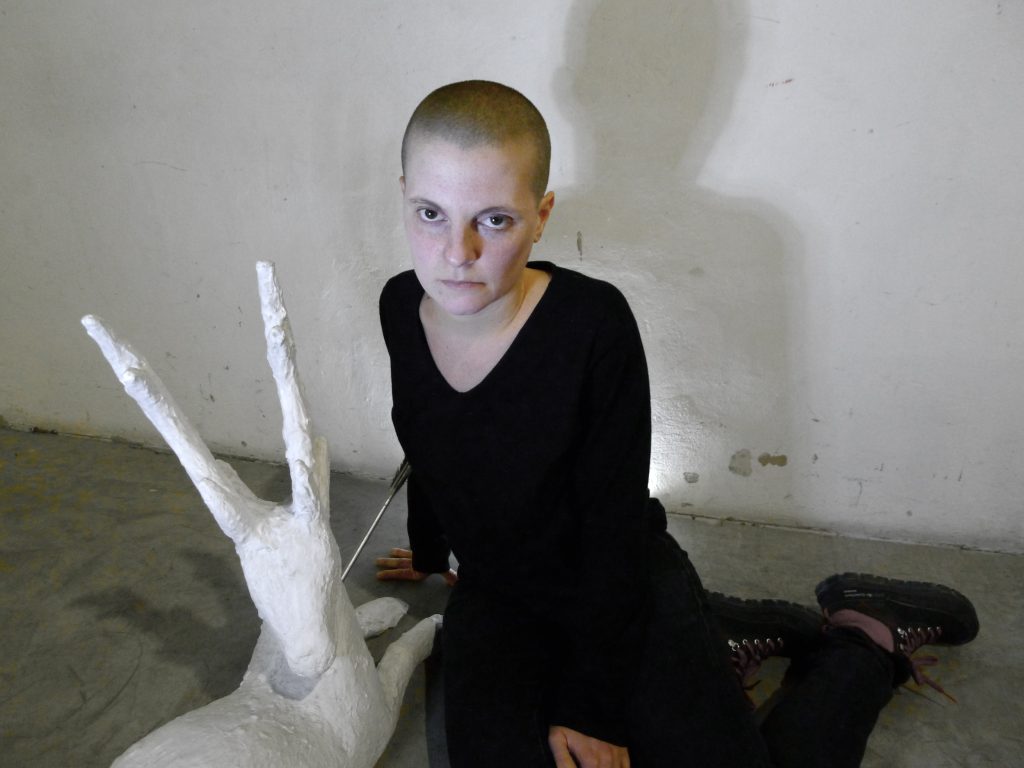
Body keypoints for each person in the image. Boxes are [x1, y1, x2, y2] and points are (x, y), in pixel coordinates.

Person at [376, 80, 978, 768]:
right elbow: (425, 432)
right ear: (404, 196)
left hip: (619, 577)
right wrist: (432, 549)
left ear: (540, 217)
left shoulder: (591, 324)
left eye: (493, 220)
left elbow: (611, 521)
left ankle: (863, 640)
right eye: (431, 213)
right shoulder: (400, 304)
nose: (457, 252)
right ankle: (722, 634)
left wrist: (592, 705)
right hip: (500, 594)